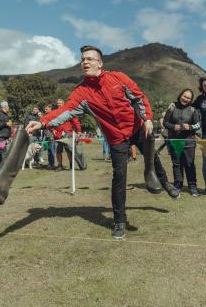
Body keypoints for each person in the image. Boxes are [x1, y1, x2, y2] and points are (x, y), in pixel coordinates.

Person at [26, 44, 179, 239]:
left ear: (100, 63)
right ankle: (119, 221)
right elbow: (65, 111)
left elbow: (139, 97)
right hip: (115, 137)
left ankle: (166, 184)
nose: (85, 62)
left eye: (89, 59)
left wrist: (147, 118)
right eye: (82, 59)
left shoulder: (118, 78)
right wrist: (42, 122)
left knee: (152, 157)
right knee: (119, 178)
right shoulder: (81, 92)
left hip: (137, 127)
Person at [163, 89, 201, 196]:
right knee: (176, 164)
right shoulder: (172, 107)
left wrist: (190, 127)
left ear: (191, 100)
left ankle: (192, 186)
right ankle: (178, 185)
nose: (186, 99)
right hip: (174, 140)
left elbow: (198, 125)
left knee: (189, 164)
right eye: (184, 96)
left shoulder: (193, 110)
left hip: (189, 141)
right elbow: (165, 122)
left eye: (188, 98)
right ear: (180, 95)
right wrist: (173, 127)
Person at [51, 99, 82, 171]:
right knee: (58, 151)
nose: (59, 105)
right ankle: (60, 165)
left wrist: (79, 131)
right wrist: (52, 130)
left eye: (60, 103)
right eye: (58, 103)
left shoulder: (68, 111)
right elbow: (50, 122)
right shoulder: (54, 112)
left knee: (69, 150)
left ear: (63, 103)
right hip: (58, 135)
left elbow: (75, 121)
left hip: (67, 134)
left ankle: (71, 164)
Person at [42, 104, 56, 169]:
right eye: (45, 109)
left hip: (51, 134)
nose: (45, 110)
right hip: (46, 135)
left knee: (52, 149)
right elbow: (41, 121)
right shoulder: (45, 115)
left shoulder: (53, 115)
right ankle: (50, 163)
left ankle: (52, 164)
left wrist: (52, 133)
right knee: (48, 149)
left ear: (50, 109)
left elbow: (53, 124)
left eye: (46, 109)